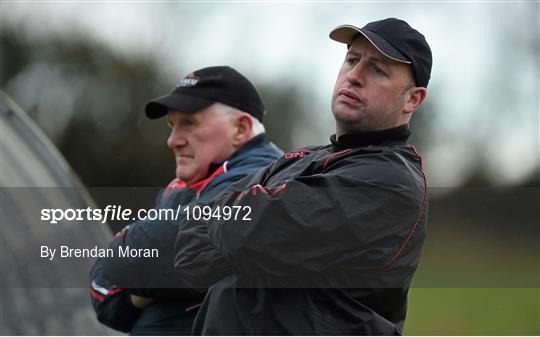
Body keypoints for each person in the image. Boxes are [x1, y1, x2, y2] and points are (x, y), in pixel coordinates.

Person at [174, 18, 432, 334]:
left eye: (377, 70)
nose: (354, 76)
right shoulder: (300, 158)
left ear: (412, 99)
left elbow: (255, 233)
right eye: (352, 60)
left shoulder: (391, 181)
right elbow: (188, 250)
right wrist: (241, 226)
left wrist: (229, 220)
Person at [89, 66, 282, 335]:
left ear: (241, 128)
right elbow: (106, 294)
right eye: (171, 125)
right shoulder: (182, 187)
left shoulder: (262, 180)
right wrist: (148, 286)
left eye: (189, 123)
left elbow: (135, 260)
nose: (172, 141)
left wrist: (143, 284)